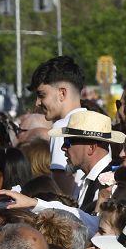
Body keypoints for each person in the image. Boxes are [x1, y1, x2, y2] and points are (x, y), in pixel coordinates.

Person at [28, 55, 87, 195]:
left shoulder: (61, 128)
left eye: (41, 95)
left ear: (62, 93)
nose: (37, 103)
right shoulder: (97, 123)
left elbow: (62, 194)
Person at [47, 110, 124, 213]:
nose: (63, 147)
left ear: (91, 148)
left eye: (68, 142)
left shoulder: (113, 185)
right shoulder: (86, 180)